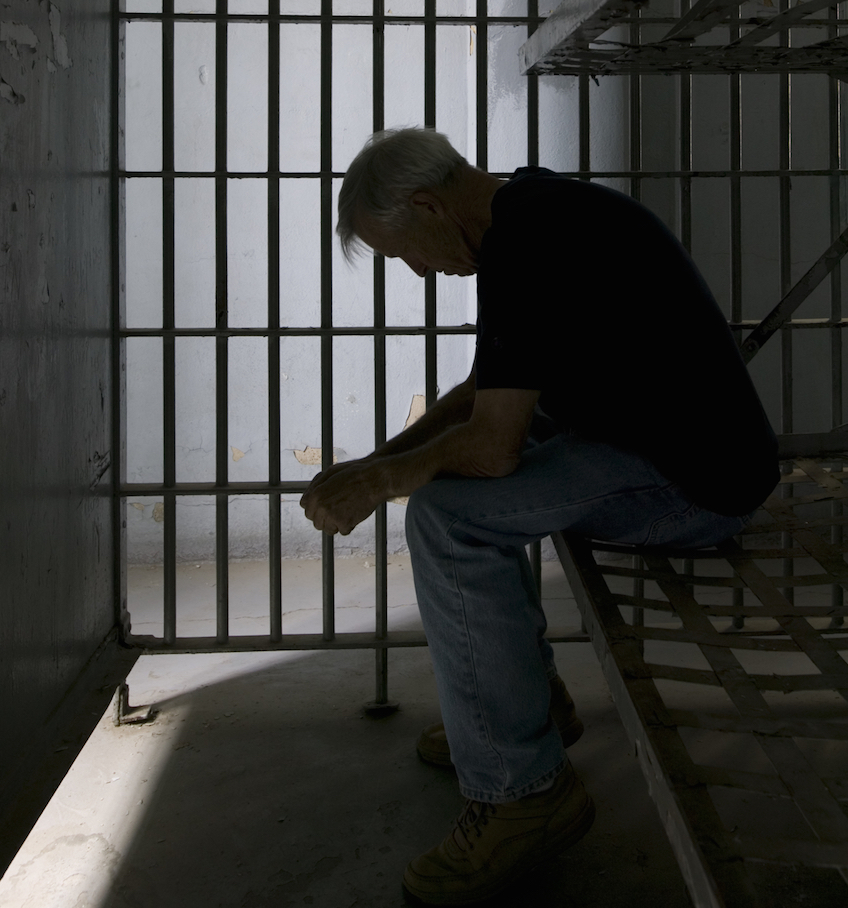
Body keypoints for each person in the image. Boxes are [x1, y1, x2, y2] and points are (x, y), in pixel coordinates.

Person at [300, 127, 778, 905]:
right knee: (452, 491)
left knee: (450, 519)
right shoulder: (533, 211)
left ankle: (523, 797)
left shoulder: (525, 243)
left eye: (403, 253)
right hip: (660, 442)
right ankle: (528, 710)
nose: (418, 271)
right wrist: (374, 464)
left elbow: (490, 448)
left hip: (694, 482)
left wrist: (382, 486)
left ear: (426, 205)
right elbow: (483, 393)